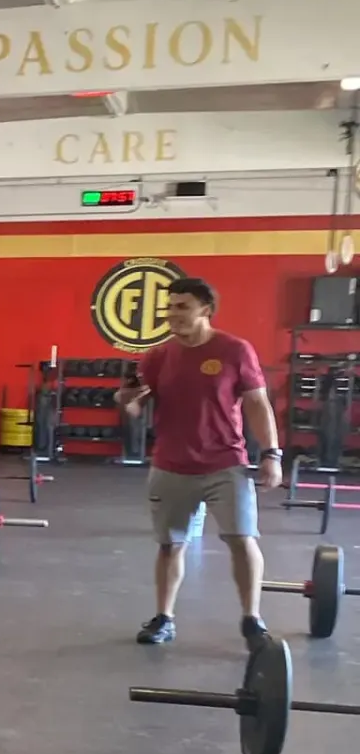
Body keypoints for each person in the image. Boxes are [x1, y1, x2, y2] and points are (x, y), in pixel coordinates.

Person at [115, 277, 281, 648]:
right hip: (171, 465)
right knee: (170, 545)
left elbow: (257, 404)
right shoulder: (158, 356)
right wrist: (126, 399)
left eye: (182, 307)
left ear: (206, 309)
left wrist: (272, 454)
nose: (173, 314)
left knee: (242, 539)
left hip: (225, 463)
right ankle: (164, 618)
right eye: (169, 307)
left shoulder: (235, 350)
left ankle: (252, 620)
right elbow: (136, 406)